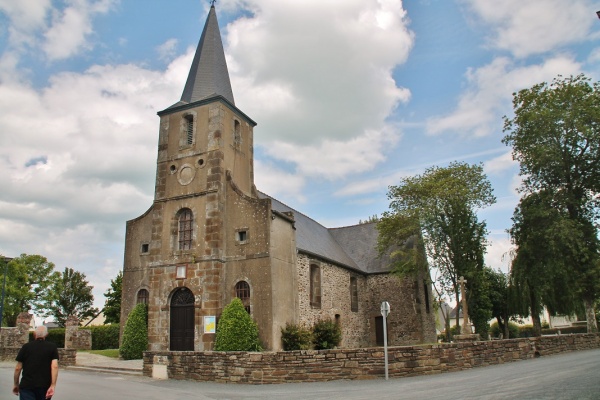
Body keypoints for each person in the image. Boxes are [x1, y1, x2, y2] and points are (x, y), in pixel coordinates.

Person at [13, 325, 59, 400]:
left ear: (34, 334)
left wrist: (16, 384)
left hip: (27, 386)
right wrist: (52, 385)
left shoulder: (26, 347)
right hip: (44, 386)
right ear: (46, 334)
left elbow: (18, 368)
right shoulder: (52, 347)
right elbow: (54, 366)